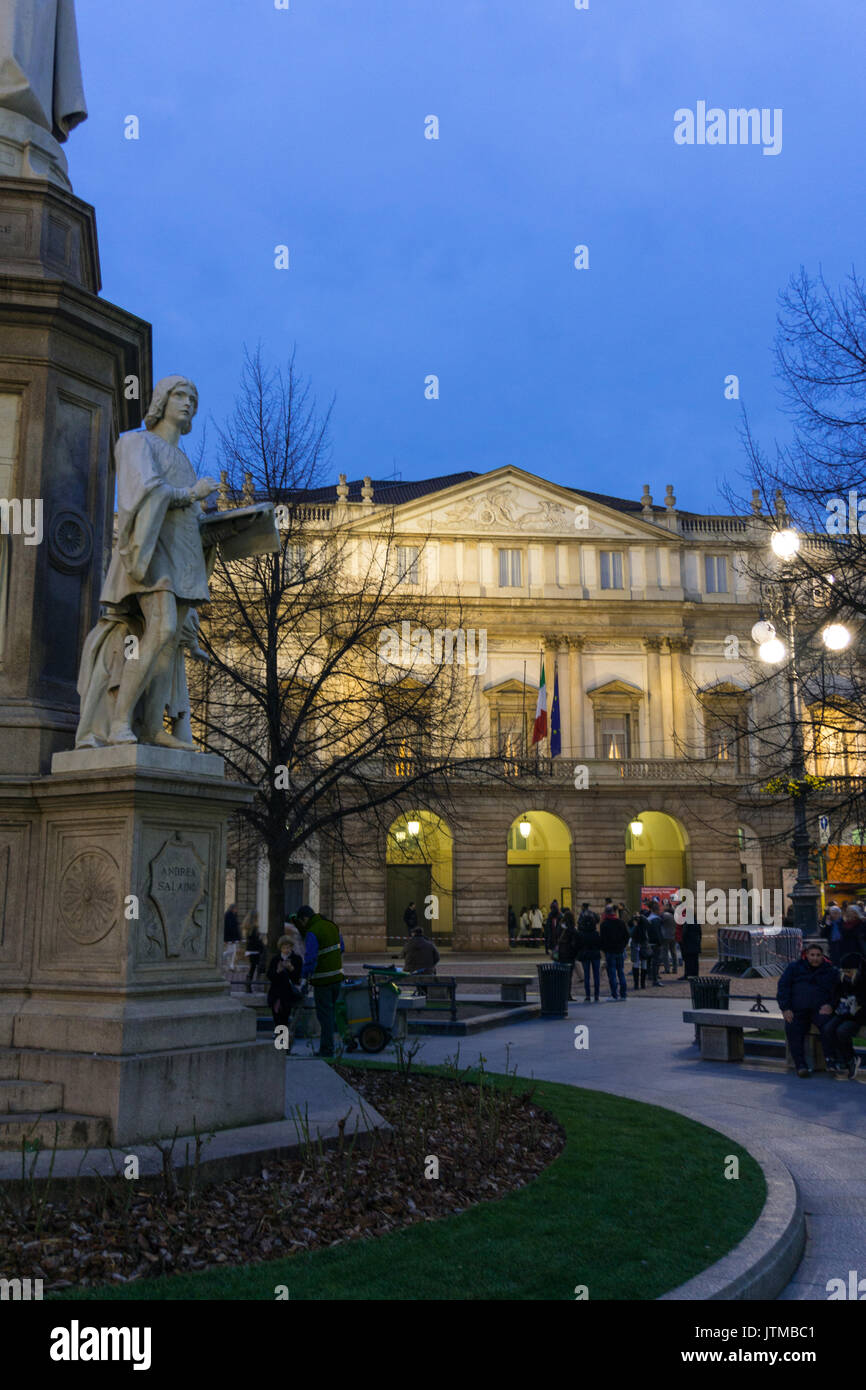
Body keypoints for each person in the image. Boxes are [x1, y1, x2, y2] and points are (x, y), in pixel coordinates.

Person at [776, 942, 837, 1077]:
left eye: (818, 955)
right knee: (793, 1027)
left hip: (820, 1009)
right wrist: (785, 1008)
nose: (815, 958)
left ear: (822, 956)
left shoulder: (830, 970)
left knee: (829, 1026)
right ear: (806, 955)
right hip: (798, 1009)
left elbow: (837, 991)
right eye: (812, 955)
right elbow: (783, 987)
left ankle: (831, 1060)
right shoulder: (794, 968)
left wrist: (831, 1005)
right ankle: (801, 1065)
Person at [296, 904, 345, 1058]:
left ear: (305, 918)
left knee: (325, 1017)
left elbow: (310, 958)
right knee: (333, 1013)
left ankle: (326, 1049)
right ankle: (337, 1044)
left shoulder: (313, 931)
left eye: (301, 922)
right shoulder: (331, 926)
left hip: (322, 980)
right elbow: (342, 947)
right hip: (337, 977)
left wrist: (304, 978)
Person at [823, 953, 866, 1079]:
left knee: (842, 1030)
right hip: (844, 1012)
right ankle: (843, 1059)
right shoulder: (842, 979)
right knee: (828, 1028)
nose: (847, 974)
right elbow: (836, 995)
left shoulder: (863, 980)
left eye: (849, 971)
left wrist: (857, 1006)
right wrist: (834, 1005)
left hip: (860, 1015)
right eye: (844, 971)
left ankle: (851, 1059)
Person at [266, 934, 304, 1034]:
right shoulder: (276, 959)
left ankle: (282, 1037)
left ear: (291, 947)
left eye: (288, 947)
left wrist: (291, 968)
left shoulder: (296, 959)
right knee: (276, 1014)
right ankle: (279, 1034)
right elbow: (270, 975)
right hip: (276, 993)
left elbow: (298, 977)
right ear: (280, 948)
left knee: (285, 1015)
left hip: (288, 993)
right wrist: (278, 971)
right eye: (284, 947)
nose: (286, 950)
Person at [600, 903, 629, 1000]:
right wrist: (622, 946)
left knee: (612, 974)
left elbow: (602, 939)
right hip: (619, 950)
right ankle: (623, 994)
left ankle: (614, 995)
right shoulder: (620, 922)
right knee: (621, 972)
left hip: (610, 951)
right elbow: (626, 936)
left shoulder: (604, 924)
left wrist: (604, 949)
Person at [576, 910, 602, 1003]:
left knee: (587, 976)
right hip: (595, 955)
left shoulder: (582, 934)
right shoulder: (596, 933)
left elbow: (578, 945)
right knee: (596, 976)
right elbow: (600, 945)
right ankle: (596, 995)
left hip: (585, 955)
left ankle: (587, 995)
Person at [557, 908, 581, 999]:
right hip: (570, 955)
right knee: (568, 976)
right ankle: (567, 995)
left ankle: (561, 994)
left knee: (561, 976)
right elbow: (577, 943)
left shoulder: (560, 927)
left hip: (561, 954)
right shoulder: (572, 929)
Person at [241, 911, 264, 992]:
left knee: (253, 967)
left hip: (250, 949)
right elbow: (256, 941)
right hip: (255, 950)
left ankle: (248, 982)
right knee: (256, 966)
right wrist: (261, 942)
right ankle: (250, 983)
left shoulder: (248, 927)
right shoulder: (255, 928)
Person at [629, 911, 650, 990]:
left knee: (636, 964)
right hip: (644, 946)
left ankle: (636, 984)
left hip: (636, 946)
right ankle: (643, 983)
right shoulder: (644, 927)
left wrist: (635, 922)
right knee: (644, 964)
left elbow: (631, 933)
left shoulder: (635, 928)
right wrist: (641, 916)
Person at [645, 899, 664, 986]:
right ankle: (655, 979)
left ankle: (650, 975)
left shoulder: (648, 918)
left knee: (650, 961)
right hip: (656, 943)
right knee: (656, 962)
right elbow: (658, 933)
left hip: (650, 942)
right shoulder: (656, 920)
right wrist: (660, 942)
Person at [660, 905, 677, 974]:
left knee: (665, 953)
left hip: (665, 936)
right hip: (673, 936)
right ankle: (675, 969)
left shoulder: (664, 915)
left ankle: (667, 969)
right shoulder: (675, 916)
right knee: (673, 953)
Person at [222, 901, 240, 969]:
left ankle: (230, 965)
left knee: (233, 951)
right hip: (230, 937)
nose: (237, 910)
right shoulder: (228, 915)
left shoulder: (233, 915)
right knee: (230, 951)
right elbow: (229, 928)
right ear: (233, 908)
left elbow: (235, 927)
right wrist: (232, 938)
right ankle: (221, 957)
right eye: (236, 908)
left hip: (233, 937)